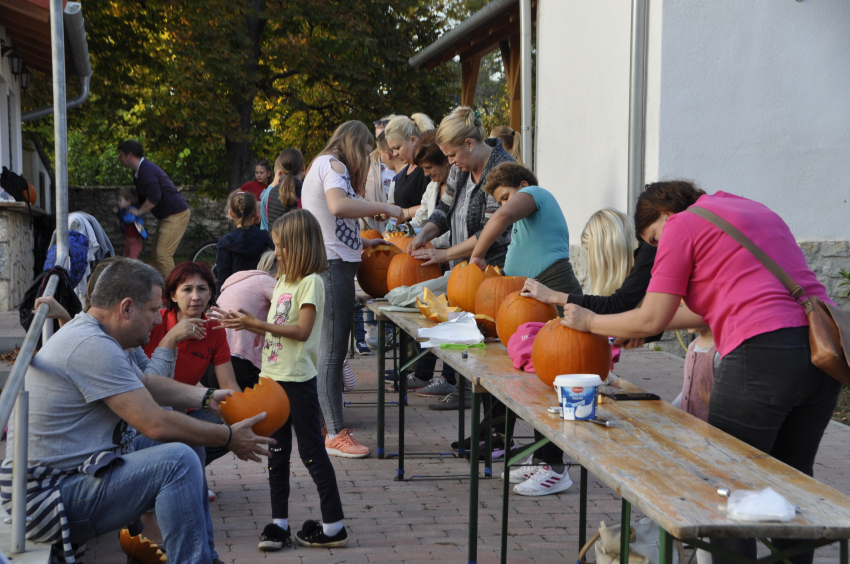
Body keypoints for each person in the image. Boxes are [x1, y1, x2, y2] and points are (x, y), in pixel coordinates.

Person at [558, 182, 840, 564]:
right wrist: (631, 325)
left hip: (761, 358)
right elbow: (707, 311)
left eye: (654, 238)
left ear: (663, 214)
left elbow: (653, 314)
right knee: (790, 488)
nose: (657, 248)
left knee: (725, 487)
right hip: (822, 353)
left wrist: (592, 321)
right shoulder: (752, 210)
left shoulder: (681, 225)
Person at [2, 258, 272, 564]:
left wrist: (206, 396)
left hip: (70, 479)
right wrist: (227, 436)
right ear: (126, 308)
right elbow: (154, 423)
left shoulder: (101, 335)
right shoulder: (91, 344)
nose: (159, 320)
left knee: (187, 446)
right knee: (177, 460)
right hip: (44, 501)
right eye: (153, 310)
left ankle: (203, 557)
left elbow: (145, 382)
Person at [213, 210, 350, 550]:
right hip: (272, 379)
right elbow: (273, 326)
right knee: (277, 454)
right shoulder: (285, 281)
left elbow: (301, 331)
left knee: (312, 453)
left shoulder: (311, 282)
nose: (276, 253)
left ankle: (334, 526)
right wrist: (244, 321)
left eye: (281, 246)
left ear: (300, 245)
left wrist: (256, 326)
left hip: (298, 382)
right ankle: (279, 524)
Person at [301, 120, 403, 458]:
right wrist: (383, 208)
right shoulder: (334, 164)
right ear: (355, 145)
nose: (365, 160)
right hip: (332, 268)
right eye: (365, 152)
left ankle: (324, 422)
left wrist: (362, 240)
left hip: (332, 262)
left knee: (328, 351)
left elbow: (332, 224)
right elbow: (338, 206)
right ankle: (333, 433)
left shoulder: (326, 164)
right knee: (333, 352)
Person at [408, 106, 515, 412]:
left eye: (452, 155)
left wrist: (443, 253)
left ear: (469, 144)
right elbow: (443, 210)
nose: (450, 163)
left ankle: (493, 428)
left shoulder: (502, 169)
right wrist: (423, 234)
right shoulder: (459, 169)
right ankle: (473, 407)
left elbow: (489, 231)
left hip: (494, 270)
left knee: (490, 352)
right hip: (464, 267)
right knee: (466, 340)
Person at [142, 261, 242, 467]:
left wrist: (248, 417)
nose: (195, 296)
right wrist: (173, 335)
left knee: (232, 425)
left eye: (202, 289)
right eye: (187, 289)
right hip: (147, 411)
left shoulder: (214, 329)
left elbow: (229, 385)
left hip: (190, 408)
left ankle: (191, 471)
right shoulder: (154, 322)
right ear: (173, 295)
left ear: (211, 293)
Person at [117, 140, 190, 279]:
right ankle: (159, 288)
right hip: (167, 215)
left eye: (121, 155)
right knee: (156, 254)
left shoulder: (146, 171)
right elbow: (142, 200)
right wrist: (125, 210)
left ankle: (178, 289)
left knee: (163, 255)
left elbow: (155, 196)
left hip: (176, 214)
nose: (119, 158)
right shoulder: (138, 173)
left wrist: (138, 212)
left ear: (130, 155)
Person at [212, 250, 278, 390]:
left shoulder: (235, 281)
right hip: (239, 360)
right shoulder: (268, 281)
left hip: (212, 358)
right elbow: (288, 312)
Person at [215, 191, 274, 295]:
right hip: (261, 295)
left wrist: (219, 302)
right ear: (255, 213)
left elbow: (223, 277)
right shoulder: (266, 238)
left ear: (231, 214)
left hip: (235, 296)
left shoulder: (226, 242)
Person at [384, 114, 434, 223]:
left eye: (397, 148)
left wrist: (405, 212)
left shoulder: (427, 170)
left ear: (413, 140)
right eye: (392, 149)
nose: (395, 154)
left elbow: (433, 205)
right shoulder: (405, 170)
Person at [261, 149, 305, 230]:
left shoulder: (272, 192)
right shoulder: (304, 193)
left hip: (275, 241)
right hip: (296, 241)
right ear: (303, 167)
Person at [114, 187, 147, 259]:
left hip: (134, 242)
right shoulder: (124, 211)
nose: (118, 202)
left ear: (128, 201)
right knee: (125, 260)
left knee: (132, 261)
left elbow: (131, 219)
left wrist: (121, 219)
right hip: (128, 241)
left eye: (120, 200)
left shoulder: (132, 210)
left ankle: (135, 271)